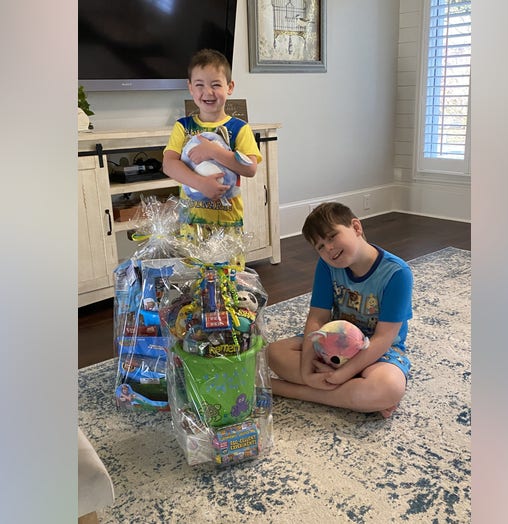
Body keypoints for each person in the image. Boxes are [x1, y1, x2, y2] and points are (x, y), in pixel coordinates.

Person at [267, 202, 413, 418]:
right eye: (320, 247)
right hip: (333, 343)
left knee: (388, 387)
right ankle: (356, 396)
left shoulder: (397, 273)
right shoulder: (327, 266)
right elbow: (317, 318)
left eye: (332, 237)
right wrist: (308, 372)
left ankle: (286, 389)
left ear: (356, 227)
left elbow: (383, 339)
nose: (328, 249)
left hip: (376, 351)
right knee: (273, 353)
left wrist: (343, 374)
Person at [162, 48, 262, 262]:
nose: (208, 92)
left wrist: (215, 152)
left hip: (227, 222)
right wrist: (200, 183)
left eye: (216, 84)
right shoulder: (183, 127)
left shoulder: (240, 128)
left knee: (227, 282)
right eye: (199, 85)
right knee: (196, 281)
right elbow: (169, 165)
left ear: (230, 87)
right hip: (191, 223)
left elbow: (250, 168)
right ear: (190, 88)